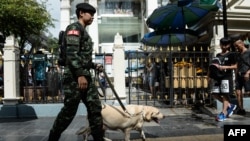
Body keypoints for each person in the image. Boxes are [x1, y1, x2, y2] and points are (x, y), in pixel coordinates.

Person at [48, 3, 104, 141]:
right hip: (75, 77)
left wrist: (93, 65)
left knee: (95, 108)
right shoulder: (74, 28)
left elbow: (81, 56)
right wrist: (80, 74)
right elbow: (72, 54)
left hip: (84, 74)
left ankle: (98, 138)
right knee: (69, 110)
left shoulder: (83, 31)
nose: (92, 17)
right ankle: (53, 137)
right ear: (81, 13)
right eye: (90, 14)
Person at [208, 37, 237, 121]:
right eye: (222, 44)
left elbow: (235, 66)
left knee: (225, 95)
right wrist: (210, 76)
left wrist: (224, 67)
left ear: (229, 45)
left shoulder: (232, 54)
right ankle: (230, 106)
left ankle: (223, 113)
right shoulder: (218, 55)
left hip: (226, 78)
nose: (223, 46)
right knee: (214, 94)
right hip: (218, 77)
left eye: (226, 44)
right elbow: (213, 67)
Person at [233, 36, 250, 115]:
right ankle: (241, 109)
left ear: (242, 44)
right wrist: (236, 77)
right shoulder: (237, 54)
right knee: (238, 92)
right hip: (239, 75)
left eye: (237, 45)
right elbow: (237, 66)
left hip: (247, 74)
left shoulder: (249, 52)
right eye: (235, 46)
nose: (236, 47)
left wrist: (248, 73)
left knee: (248, 92)